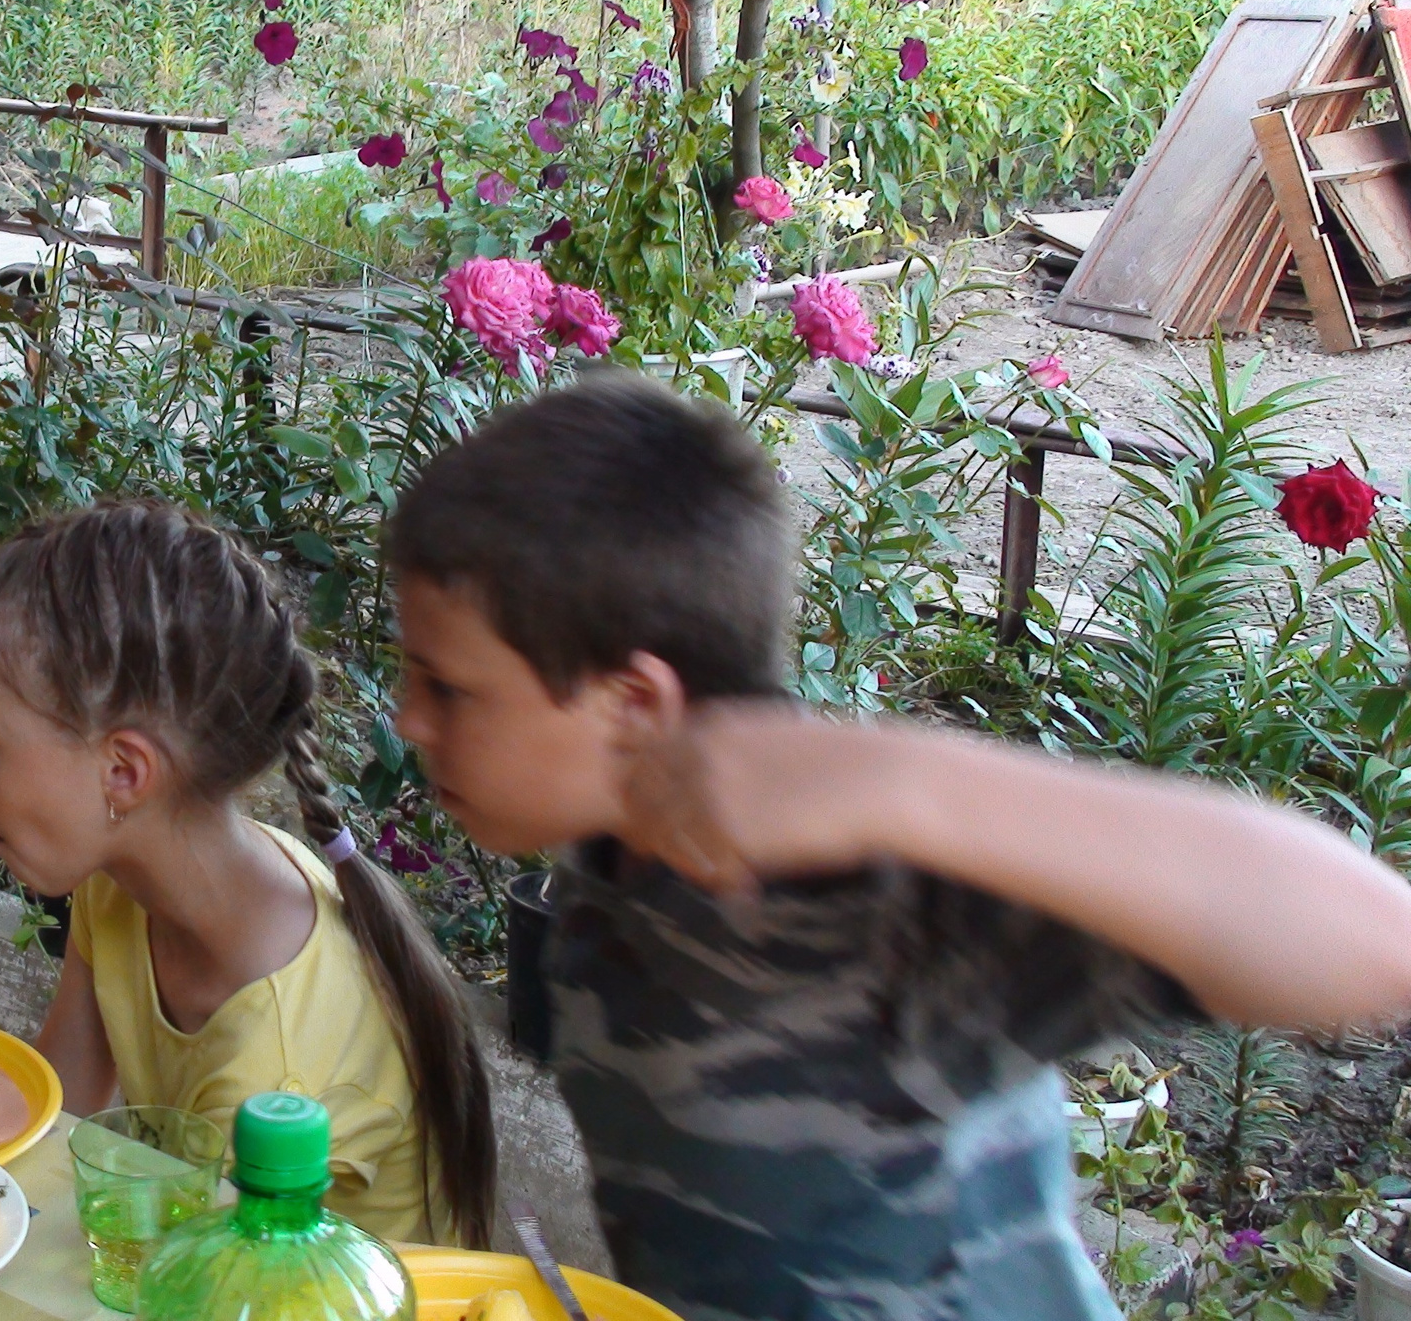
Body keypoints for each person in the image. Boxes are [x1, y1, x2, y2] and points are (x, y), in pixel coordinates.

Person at [383, 369, 1411, 1321]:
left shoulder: (864, 909)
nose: (407, 718)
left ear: (632, 704)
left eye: (449, 687)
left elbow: (1371, 936)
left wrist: (904, 780)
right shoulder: (606, 877)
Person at [0, 500, 496, 1246]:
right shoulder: (128, 876)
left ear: (123, 772)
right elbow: (50, 1124)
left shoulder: (276, 1079)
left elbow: (132, 1259)